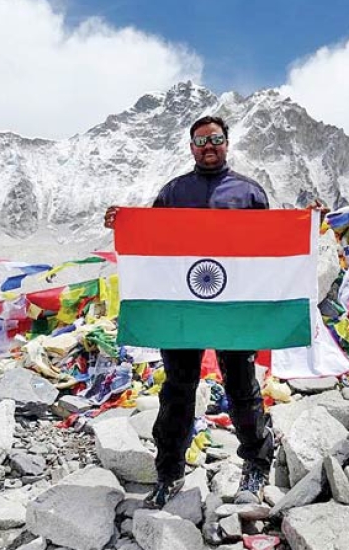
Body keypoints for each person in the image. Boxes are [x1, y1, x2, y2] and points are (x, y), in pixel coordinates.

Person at [103, 115, 273, 509]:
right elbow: (152, 243)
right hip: (183, 308)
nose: (208, 146)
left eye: (215, 138)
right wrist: (123, 223)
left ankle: (255, 465)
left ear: (227, 143)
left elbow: (270, 249)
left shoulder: (249, 193)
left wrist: (305, 226)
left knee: (241, 386)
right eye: (200, 140)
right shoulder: (173, 191)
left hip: (233, 306)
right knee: (178, 389)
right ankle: (169, 473)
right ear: (191, 147)